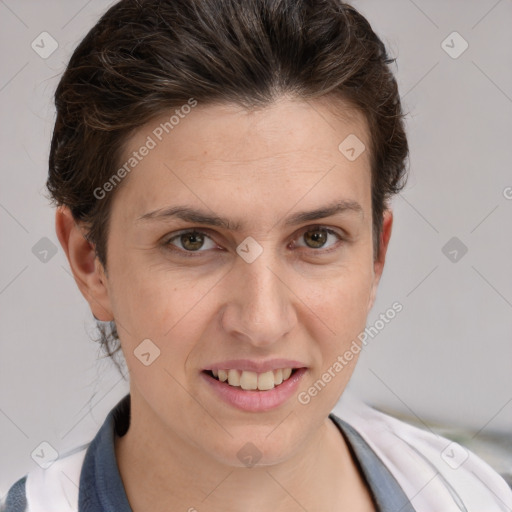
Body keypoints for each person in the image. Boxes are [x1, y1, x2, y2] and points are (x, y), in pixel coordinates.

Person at [2, 0, 511, 510]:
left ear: (376, 257)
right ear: (91, 263)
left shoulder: (476, 496)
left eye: (316, 238)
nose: (262, 322)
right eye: (193, 241)